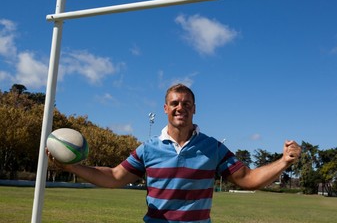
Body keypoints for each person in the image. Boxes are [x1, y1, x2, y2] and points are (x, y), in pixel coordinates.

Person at [47, 83, 301, 222]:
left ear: (194, 109)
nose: (181, 107)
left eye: (187, 103)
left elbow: (249, 179)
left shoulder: (213, 147)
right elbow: (114, 177)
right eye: (175, 103)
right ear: (166, 108)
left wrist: (284, 161)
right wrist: (72, 167)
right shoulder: (149, 148)